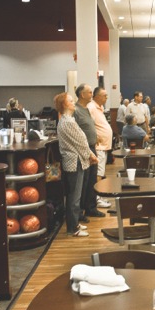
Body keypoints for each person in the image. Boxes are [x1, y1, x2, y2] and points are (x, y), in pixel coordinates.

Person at [54, 92, 98, 237]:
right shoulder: (68, 122)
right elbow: (81, 142)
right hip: (75, 162)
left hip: (74, 161)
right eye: (71, 101)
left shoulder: (66, 120)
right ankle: (73, 228)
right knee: (74, 197)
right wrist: (91, 155)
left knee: (74, 195)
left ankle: (74, 224)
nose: (74, 103)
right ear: (65, 104)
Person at [73, 84, 105, 219]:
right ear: (82, 94)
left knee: (92, 180)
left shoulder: (86, 109)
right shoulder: (76, 110)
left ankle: (91, 208)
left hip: (92, 148)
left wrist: (95, 137)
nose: (92, 94)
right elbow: (76, 132)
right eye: (90, 92)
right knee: (84, 182)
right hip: (83, 150)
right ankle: (80, 212)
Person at [87, 87, 113, 209]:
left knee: (101, 172)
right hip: (99, 146)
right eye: (104, 95)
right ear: (96, 96)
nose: (106, 98)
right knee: (98, 173)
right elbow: (89, 125)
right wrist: (95, 136)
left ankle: (98, 196)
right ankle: (96, 198)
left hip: (104, 146)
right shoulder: (91, 107)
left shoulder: (99, 107)